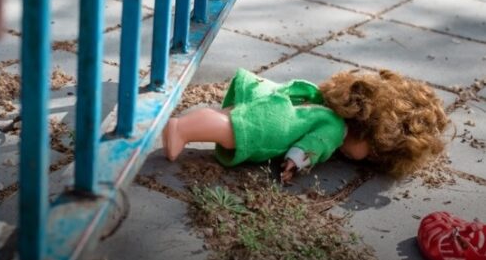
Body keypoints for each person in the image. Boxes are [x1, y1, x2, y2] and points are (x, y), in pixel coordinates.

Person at [162, 67, 448, 183]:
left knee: (231, 120)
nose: (364, 159)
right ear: (370, 129)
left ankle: (187, 127)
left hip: (271, 105)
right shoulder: (335, 129)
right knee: (233, 132)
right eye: (372, 153)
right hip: (272, 125)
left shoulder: (326, 106)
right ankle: (182, 129)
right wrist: (295, 163)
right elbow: (312, 145)